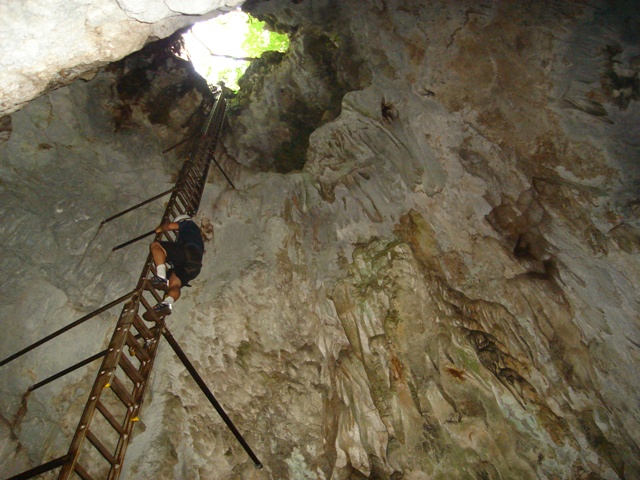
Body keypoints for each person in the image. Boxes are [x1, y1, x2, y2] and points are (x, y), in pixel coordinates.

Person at [144, 214, 205, 321]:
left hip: (188, 253)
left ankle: (161, 277)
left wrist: (160, 228)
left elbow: (171, 226)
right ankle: (167, 303)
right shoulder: (195, 236)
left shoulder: (189, 224)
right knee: (174, 284)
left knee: (156, 246)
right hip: (193, 266)